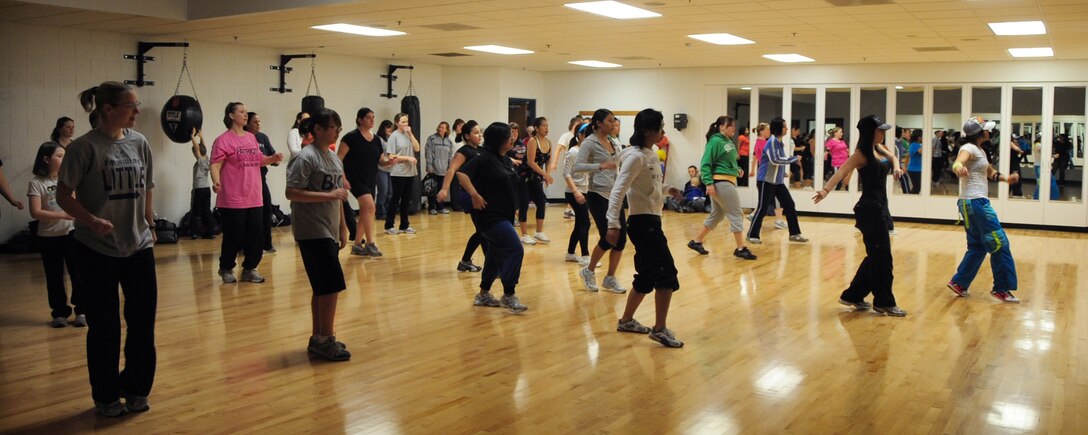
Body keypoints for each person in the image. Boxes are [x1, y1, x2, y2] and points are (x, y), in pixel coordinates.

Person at [57, 81, 157, 417]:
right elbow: (62, 196)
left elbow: (148, 187)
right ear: (108, 109)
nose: (137, 111)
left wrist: (150, 224)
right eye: (131, 105)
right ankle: (106, 395)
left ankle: (137, 388)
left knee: (142, 324)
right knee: (105, 327)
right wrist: (89, 219)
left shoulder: (140, 143)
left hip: (138, 247)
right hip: (95, 249)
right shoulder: (83, 148)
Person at [814, 115, 907, 317]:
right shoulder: (861, 154)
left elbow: (892, 157)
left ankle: (853, 295)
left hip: (880, 207)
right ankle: (884, 302)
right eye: (880, 130)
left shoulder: (879, 148)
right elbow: (841, 172)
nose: (883, 134)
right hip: (869, 210)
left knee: (876, 256)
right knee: (883, 258)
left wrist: (897, 165)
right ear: (870, 132)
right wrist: (825, 191)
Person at [609, 108, 683, 348]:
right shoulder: (635, 156)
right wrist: (613, 223)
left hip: (652, 220)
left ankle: (627, 320)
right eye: (660, 126)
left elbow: (648, 187)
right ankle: (659, 329)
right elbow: (619, 190)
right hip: (642, 224)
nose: (663, 130)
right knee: (667, 275)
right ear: (647, 130)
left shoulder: (650, 154)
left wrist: (667, 189)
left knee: (647, 275)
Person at [284, 110, 352, 361]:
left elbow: (340, 195)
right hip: (312, 230)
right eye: (333, 127)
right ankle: (325, 338)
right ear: (319, 130)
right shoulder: (306, 157)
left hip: (329, 228)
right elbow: (292, 192)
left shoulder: (333, 158)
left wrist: (342, 227)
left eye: (339, 126)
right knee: (330, 287)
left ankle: (320, 337)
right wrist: (329, 196)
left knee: (323, 288)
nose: (337, 131)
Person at [946, 116, 1020, 303]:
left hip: (969, 203)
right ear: (979, 133)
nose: (990, 131)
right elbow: (958, 162)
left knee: (978, 246)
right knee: (999, 243)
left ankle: (960, 283)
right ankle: (1001, 289)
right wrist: (958, 167)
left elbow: (989, 172)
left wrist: (1006, 179)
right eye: (986, 129)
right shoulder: (969, 148)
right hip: (977, 203)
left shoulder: (980, 151)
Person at [457, 122, 528, 313]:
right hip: (490, 217)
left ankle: (483, 295)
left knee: (495, 256)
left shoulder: (504, 159)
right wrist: (474, 194)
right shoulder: (485, 159)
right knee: (515, 250)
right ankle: (509, 295)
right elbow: (461, 174)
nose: (512, 139)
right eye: (508, 137)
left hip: (504, 215)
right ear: (499, 140)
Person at [211, 102, 284, 283]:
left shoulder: (251, 138)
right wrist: (216, 181)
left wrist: (272, 159)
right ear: (231, 116)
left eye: (245, 112)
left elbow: (259, 160)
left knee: (256, 235)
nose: (245, 115)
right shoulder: (223, 140)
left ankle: (250, 268)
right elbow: (215, 164)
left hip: (254, 196)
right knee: (233, 235)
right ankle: (226, 268)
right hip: (233, 197)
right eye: (241, 112)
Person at [28, 142, 84, 328]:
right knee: (54, 277)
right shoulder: (37, 183)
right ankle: (59, 312)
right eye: (59, 156)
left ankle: (81, 310)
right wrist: (64, 215)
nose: (63, 159)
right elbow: (36, 212)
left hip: (71, 234)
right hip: (48, 238)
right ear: (46, 159)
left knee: (78, 274)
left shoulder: (67, 180)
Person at [688, 116, 756, 259]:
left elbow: (729, 161)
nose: (733, 128)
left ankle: (696, 241)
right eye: (730, 125)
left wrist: (736, 169)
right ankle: (741, 248)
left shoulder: (728, 141)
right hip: (720, 183)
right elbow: (705, 163)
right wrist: (708, 183)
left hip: (727, 180)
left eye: (734, 126)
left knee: (717, 215)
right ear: (721, 127)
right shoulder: (715, 141)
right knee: (736, 213)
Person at [575, 109, 628, 293]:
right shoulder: (589, 142)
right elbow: (578, 166)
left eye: (614, 121)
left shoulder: (613, 141)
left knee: (621, 240)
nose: (613, 124)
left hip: (616, 194)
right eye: (610, 121)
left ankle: (610, 278)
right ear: (598, 123)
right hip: (598, 195)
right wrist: (600, 166)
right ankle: (588, 271)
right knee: (608, 237)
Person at [339, 108, 391, 257]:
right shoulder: (350, 137)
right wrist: (343, 178)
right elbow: (338, 159)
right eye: (368, 117)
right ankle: (370, 243)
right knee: (369, 206)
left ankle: (356, 245)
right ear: (360, 119)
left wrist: (389, 162)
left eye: (373, 117)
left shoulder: (376, 140)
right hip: (354, 178)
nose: (372, 120)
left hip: (370, 179)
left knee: (365, 211)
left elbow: (380, 159)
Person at [747, 117, 807, 244]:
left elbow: (776, 161)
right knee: (762, 208)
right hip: (766, 181)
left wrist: (782, 171)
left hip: (777, 182)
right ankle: (752, 234)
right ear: (779, 128)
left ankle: (794, 233)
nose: (787, 128)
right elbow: (775, 160)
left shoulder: (779, 142)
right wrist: (793, 159)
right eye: (785, 126)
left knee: (789, 205)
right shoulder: (772, 141)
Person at [438, 120, 486, 272]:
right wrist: (444, 189)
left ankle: (465, 261)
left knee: (482, 231)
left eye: (480, 132)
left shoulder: (481, 150)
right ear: (466, 135)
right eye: (476, 132)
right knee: (483, 230)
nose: (479, 135)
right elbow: (452, 170)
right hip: (468, 194)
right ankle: (491, 266)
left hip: (480, 194)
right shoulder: (464, 151)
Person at [245, 112, 282, 253]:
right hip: (246, 182)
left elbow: (272, 156)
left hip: (261, 180)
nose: (258, 124)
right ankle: (247, 246)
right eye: (255, 122)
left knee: (267, 210)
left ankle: (267, 244)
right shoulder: (243, 138)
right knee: (250, 215)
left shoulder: (263, 137)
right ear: (247, 124)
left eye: (259, 121)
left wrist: (275, 159)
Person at [515, 117, 553, 244]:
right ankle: (524, 234)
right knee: (524, 204)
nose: (546, 128)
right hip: (525, 177)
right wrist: (545, 175)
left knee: (541, 202)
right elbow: (531, 162)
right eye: (543, 126)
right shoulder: (532, 141)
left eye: (547, 126)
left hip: (537, 177)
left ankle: (539, 232)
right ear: (536, 128)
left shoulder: (549, 142)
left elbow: (548, 161)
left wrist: (547, 174)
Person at [384, 113, 420, 235]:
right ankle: (389, 225)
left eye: (406, 122)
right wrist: (408, 158)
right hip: (398, 172)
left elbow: (417, 148)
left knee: (406, 199)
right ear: (397, 123)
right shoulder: (394, 136)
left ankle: (404, 225)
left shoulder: (408, 135)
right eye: (403, 122)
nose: (405, 124)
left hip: (410, 172)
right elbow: (391, 155)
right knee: (395, 199)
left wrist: (410, 134)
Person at [562, 126, 591, 265]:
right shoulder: (573, 152)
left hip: (584, 190)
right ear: (579, 135)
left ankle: (570, 253)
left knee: (580, 223)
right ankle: (585, 256)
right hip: (574, 192)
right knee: (585, 222)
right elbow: (566, 173)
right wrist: (575, 191)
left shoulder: (587, 152)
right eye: (587, 135)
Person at [186, 129, 216, 239]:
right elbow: (203, 148)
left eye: (194, 151)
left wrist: (192, 136)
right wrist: (201, 136)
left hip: (198, 189)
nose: (194, 153)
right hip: (206, 189)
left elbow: (198, 148)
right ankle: (210, 232)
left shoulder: (201, 160)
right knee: (206, 210)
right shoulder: (207, 158)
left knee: (195, 211)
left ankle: (194, 232)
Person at [425, 121, 454, 215]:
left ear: (446, 130)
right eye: (439, 127)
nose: (440, 129)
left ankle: (440, 207)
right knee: (433, 189)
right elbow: (428, 153)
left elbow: (450, 155)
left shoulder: (449, 141)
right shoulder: (431, 139)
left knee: (442, 189)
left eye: (443, 127)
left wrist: (450, 167)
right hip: (433, 168)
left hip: (444, 169)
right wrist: (429, 165)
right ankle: (432, 207)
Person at [375, 119, 395, 219]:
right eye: (387, 127)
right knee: (383, 191)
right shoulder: (379, 139)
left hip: (390, 169)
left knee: (390, 192)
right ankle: (380, 213)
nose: (389, 130)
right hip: (381, 168)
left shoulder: (390, 139)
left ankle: (387, 211)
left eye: (390, 128)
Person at [906, 129, 923, 194]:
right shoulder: (914, 145)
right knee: (916, 188)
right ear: (919, 137)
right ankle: (909, 200)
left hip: (917, 169)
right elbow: (921, 151)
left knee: (917, 188)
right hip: (914, 170)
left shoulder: (917, 145)